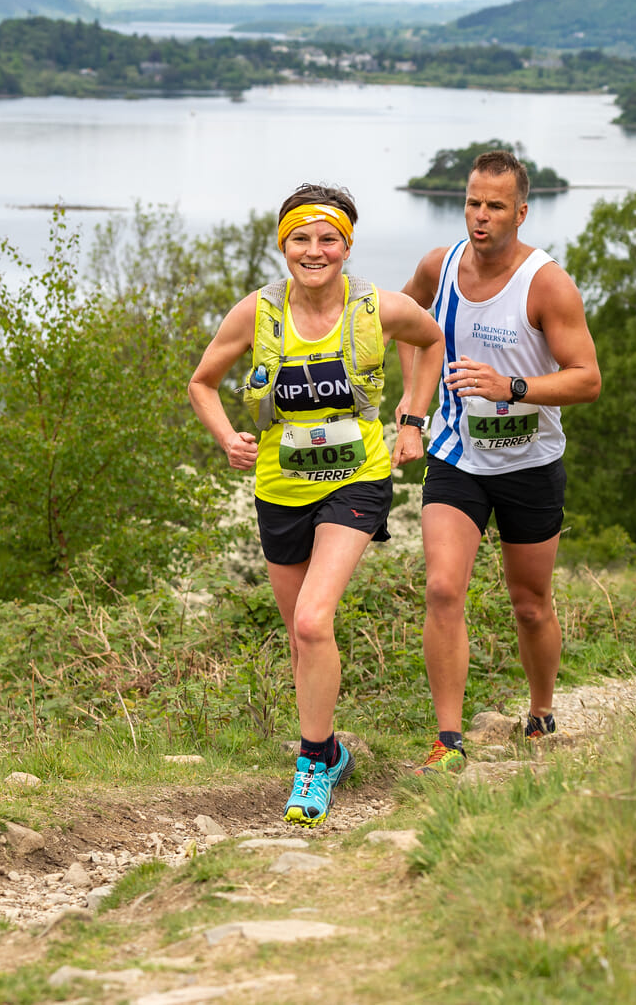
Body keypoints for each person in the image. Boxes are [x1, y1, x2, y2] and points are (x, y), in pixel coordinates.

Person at [189, 183, 444, 825]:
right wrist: (227, 438)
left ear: (347, 245)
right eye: (300, 238)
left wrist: (412, 418)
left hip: (356, 479)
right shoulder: (257, 313)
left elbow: (431, 339)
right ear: (283, 246)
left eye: (327, 238)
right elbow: (202, 382)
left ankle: (309, 771)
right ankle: (330, 749)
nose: (314, 250)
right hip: (279, 488)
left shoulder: (375, 308)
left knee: (311, 621)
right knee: (301, 640)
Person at [397, 150, 601, 775]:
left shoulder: (545, 284)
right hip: (458, 455)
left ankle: (540, 713)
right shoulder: (440, 265)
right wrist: (413, 410)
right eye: (471, 203)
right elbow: (405, 324)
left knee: (530, 601)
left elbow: (587, 379)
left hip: (530, 460)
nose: (480, 217)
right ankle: (450, 738)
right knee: (441, 588)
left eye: (494, 206)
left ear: (520, 211)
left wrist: (509, 387)